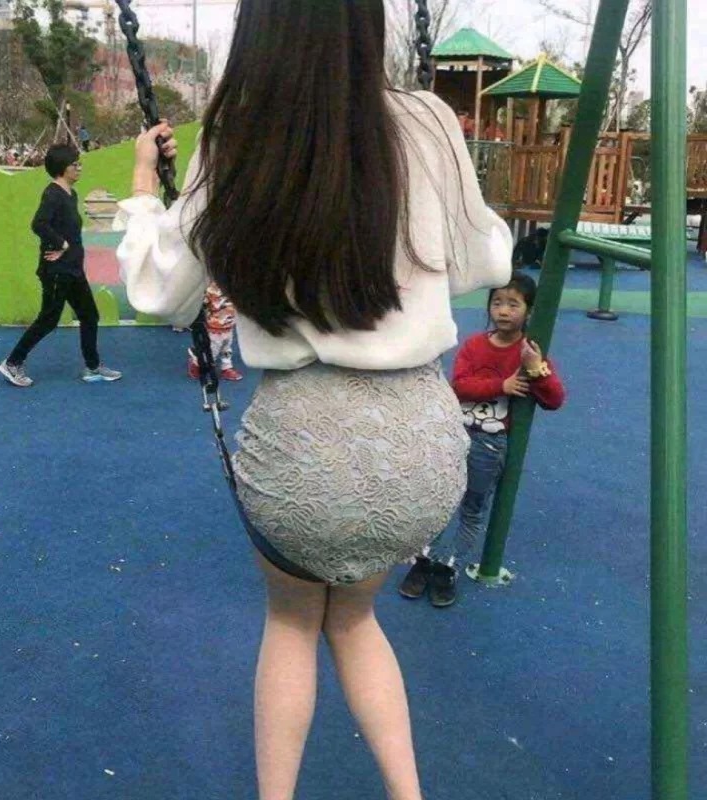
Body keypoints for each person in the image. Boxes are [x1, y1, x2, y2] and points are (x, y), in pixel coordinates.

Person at [114, 2, 512, 797]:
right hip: (417, 449)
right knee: (355, 619)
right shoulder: (427, 122)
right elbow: (485, 262)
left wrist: (142, 186)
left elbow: (159, 292)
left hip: (305, 447)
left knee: (294, 622)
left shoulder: (239, 138)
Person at [399, 272, 566, 608]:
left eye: (513, 304)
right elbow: (459, 385)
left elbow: (554, 399)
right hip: (454, 433)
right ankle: (424, 560)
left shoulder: (529, 353)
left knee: (473, 507)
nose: (503, 310)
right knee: (438, 498)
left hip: (490, 444)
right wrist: (501, 386)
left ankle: (448, 567)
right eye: (497, 302)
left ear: (529, 311)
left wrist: (536, 369)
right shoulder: (475, 345)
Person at [0, 143, 121, 388]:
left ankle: (93, 367)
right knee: (48, 320)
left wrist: (69, 249)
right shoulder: (52, 194)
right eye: (75, 164)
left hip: (73, 269)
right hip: (56, 271)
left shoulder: (71, 194)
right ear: (63, 168)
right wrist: (61, 244)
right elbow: (39, 224)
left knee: (89, 315)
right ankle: (12, 363)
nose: (79, 168)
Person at [186, 281, 243, 381]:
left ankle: (227, 367)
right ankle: (196, 361)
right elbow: (200, 305)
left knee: (227, 349)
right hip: (214, 329)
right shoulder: (212, 290)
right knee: (212, 352)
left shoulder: (235, 287)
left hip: (229, 327)